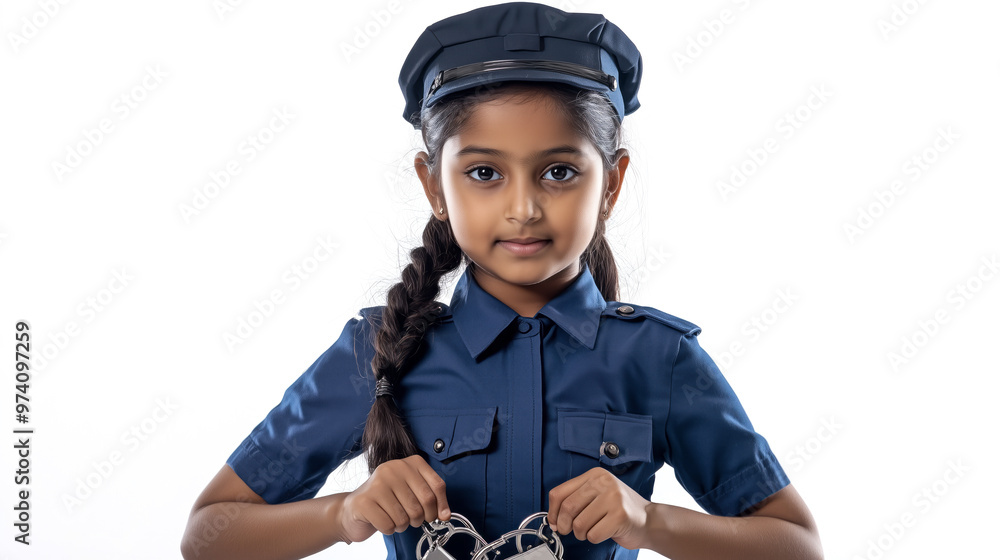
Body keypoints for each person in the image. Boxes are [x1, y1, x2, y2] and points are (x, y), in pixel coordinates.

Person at [181, 3, 823, 559]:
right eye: (485, 173)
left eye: (560, 173)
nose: (523, 208)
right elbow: (210, 534)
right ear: (434, 185)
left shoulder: (658, 359)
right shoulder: (379, 352)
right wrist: (343, 514)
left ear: (613, 184)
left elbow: (795, 545)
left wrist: (651, 523)